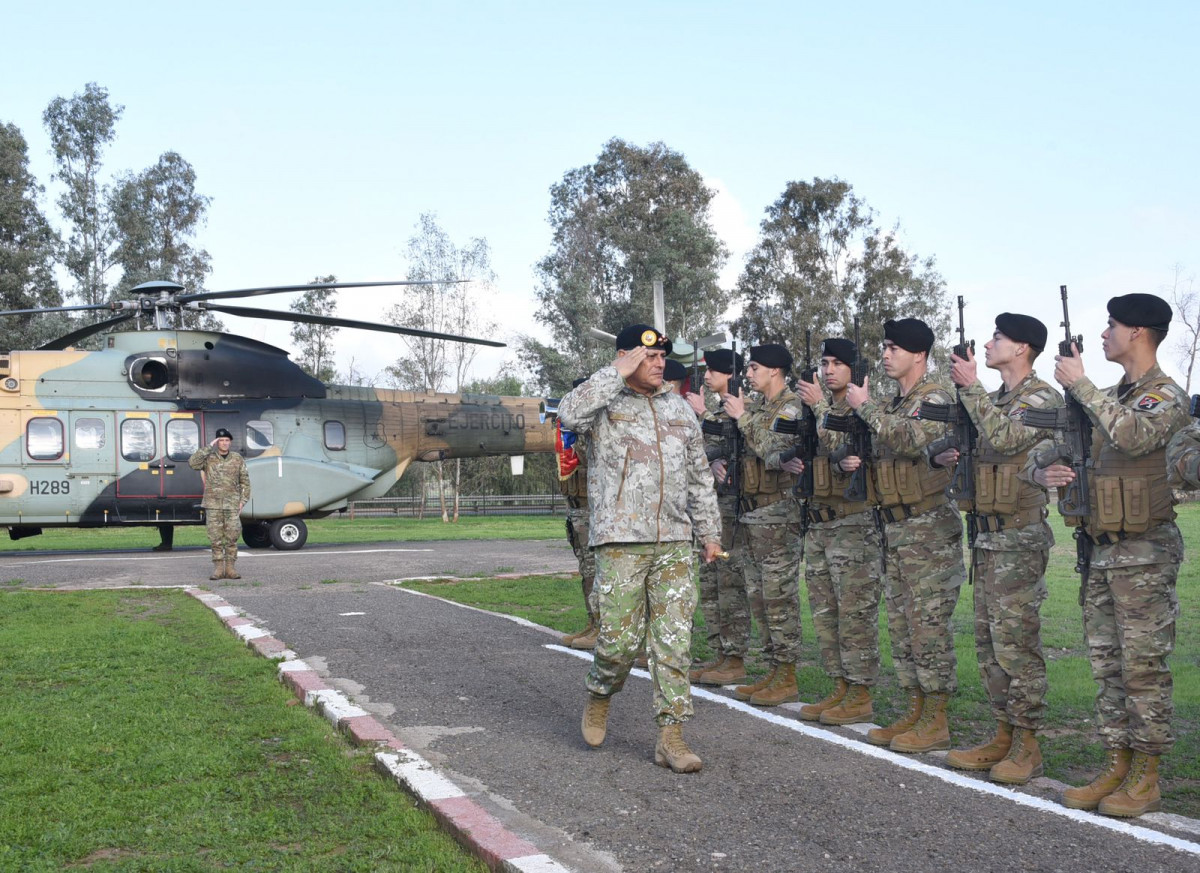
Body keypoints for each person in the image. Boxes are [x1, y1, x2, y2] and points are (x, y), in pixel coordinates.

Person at [1034, 293, 1189, 817]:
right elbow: (1045, 447)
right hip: (1099, 552)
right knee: (1107, 666)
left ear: (1139, 334)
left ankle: (1147, 776)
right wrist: (1042, 472)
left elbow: (1134, 435)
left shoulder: (1166, 396)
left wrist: (1079, 385)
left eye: (1112, 326)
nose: (1103, 334)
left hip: (1143, 555)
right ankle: (1116, 763)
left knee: (1142, 668)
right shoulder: (1101, 395)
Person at [558, 324, 722, 773]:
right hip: (620, 540)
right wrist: (616, 371)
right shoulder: (604, 402)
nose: (658, 363)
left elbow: (699, 475)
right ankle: (600, 691)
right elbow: (568, 415)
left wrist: (709, 532)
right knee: (618, 642)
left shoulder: (679, 409)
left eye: (661, 356)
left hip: (673, 539)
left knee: (673, 642)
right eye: (648, 356)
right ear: (627, 358)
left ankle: (671, 737)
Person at [932, 314, 1062, 784]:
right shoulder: (997, 399)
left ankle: (1028, 744)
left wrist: (970, 390)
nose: (988, 345)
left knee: (1016, 643)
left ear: (1023, 348)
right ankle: (1003, 734)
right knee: (989, 644)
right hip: (987, 536)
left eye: (998, 338)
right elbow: (972, 444)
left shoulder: (1041, 397)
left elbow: (1006, 437)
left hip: (1019, 538)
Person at [845, 318, 966, 753]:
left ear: (919, 354)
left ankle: (936, 719)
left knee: (928, 627)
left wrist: (867, 407)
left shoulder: (934, 397)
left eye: (894, 347)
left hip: (928, 531)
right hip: (895, 529)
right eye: (884, 347)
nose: (885, 354)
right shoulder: (895, 402)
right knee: (902, 626)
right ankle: (916, 708)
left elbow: (912, 439)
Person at [793, 337, 884, 725]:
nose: (828, 370)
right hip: (821, 523)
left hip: (854, 524)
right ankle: (840, 689)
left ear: (853, 370)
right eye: (824, 363)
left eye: (836, 364)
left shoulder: (861, 407)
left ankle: (860, 693)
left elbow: (841, 446)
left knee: (854, 614)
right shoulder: (820, 406)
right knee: (826, 613)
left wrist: (816, 406)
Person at [720, 343, 805, 707]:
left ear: (775, 371)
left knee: (779, 597)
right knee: (759, 598)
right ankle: (773, 668)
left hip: (779, 515)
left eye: (754, 368)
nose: (748, 374)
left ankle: (787, 674)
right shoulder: (759, 408)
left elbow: (774, 451)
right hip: (754, 515)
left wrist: (742, 417)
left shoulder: (790, 407)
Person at [685, 348, 751, 687]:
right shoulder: (714, 411)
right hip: (713, 506)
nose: (706, 376)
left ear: (729, 374)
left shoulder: (742, 410)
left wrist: (704, 417)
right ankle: (720, 653)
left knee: (729, 582)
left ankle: (735, 656)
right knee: (710, 583)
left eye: (713, 370)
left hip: (732, 506)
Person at [558, 378, 599, 650]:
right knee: (586, 569)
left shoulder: (594, 424)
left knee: (595, 570)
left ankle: (602, 625)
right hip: (577, 508)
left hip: (591, 507)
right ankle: (592, 621)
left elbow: (590, 457)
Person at [189, 427, 251, 580]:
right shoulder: (208, 458)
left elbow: (245, 482)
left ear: (230, 442)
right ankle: (218, 569)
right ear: (217, 442)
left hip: (232, 505)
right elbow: (192, 463)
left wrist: (243, 501)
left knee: (232, 537)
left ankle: (230, 569)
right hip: (213, 504)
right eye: (221, 440)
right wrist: (209, 446)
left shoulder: (237, 459)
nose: (224, 443)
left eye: (226, 440)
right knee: (215, 538)